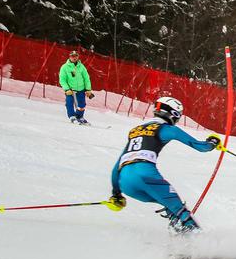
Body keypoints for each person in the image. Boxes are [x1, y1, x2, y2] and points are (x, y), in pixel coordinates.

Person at [108, 96, 221, 233]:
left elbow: (117, 166)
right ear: (173, 114)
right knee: (179, 210)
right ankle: (202, 244)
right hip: (145, 174)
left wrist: (116, 194)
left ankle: (182, 243)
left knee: (171, 207)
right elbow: (201, 147)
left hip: (125, 182)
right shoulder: (165, 129)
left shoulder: (135, 131)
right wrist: (213, 142)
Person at [59, 49, 95, 124]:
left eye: (76, 56)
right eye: (72, 56)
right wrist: (66, 89)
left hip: (81, 89)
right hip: (70, 90)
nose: (74, 58)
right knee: (69, 102)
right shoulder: (65, 67)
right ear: (70, 57)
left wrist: (88, 89)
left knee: (82, 104)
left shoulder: (81, 67)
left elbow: (86, 78)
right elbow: (62, 79)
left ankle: (79, 116)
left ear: (78, 57)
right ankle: (72, 116)